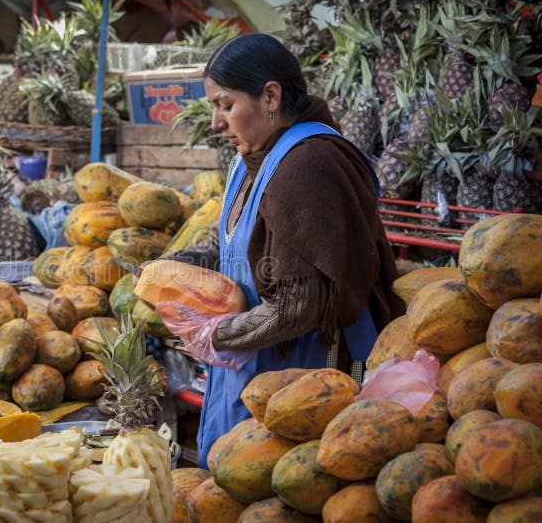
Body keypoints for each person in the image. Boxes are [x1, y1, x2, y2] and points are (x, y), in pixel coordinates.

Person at [156, 33, 405, 469]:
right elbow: (233, 240)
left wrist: (215, 335)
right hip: (250, 373)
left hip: (303, 384)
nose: (216, 123)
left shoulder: (309, 166)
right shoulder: (248, 160)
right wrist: (168, 268)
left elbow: (301, 305)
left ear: (270, 96)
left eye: (225, 105)